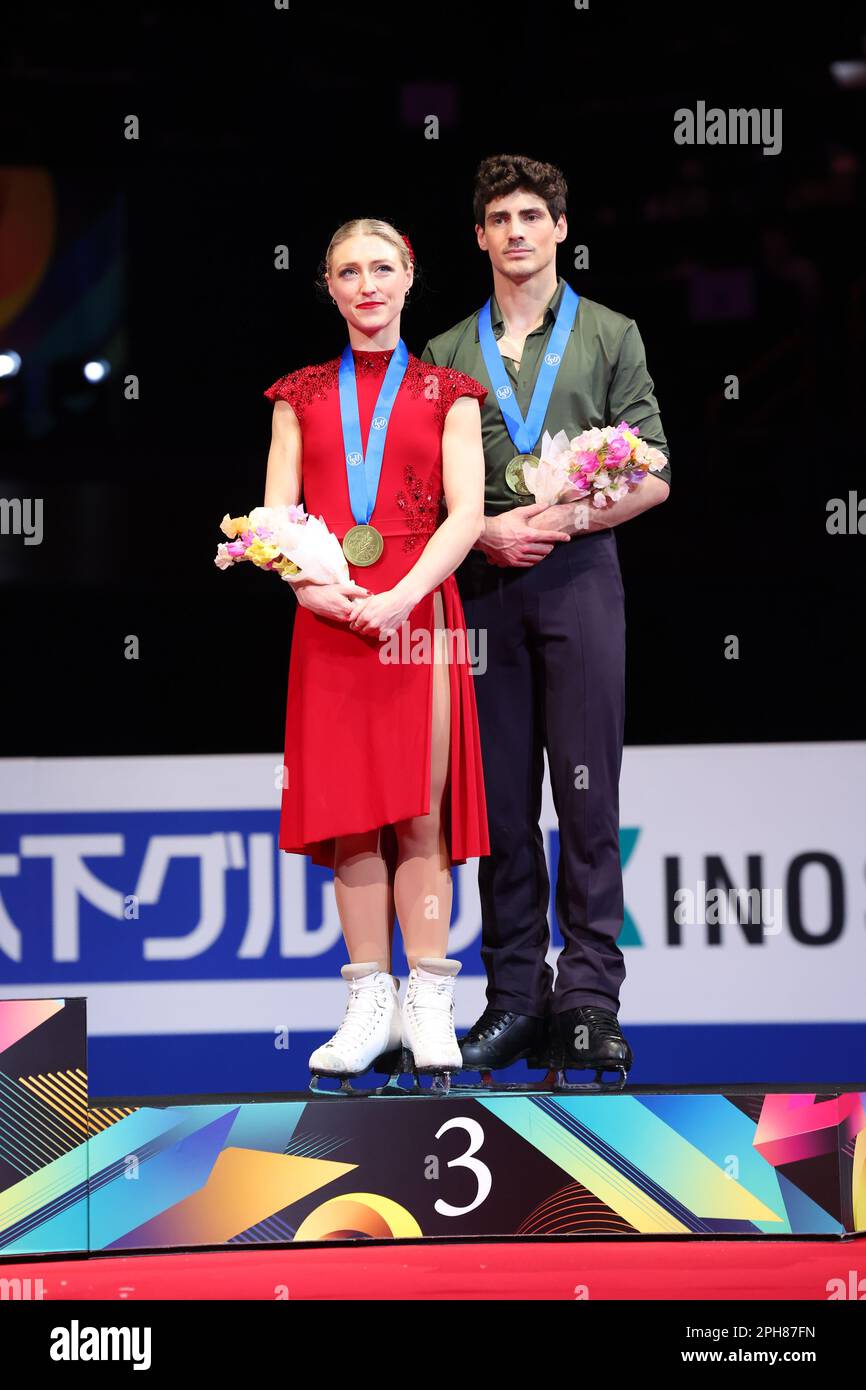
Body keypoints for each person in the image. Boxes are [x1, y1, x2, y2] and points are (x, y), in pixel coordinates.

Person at [421, 155, 672, 1086]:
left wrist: (565, 517)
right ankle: (516, 1001)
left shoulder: (611, 335)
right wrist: (483, 530)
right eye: (500, 218)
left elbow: (654, 473)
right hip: (482, 590)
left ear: (561, 228)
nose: (518, 231)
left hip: (579, 580)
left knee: (586, 799)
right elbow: (421, 494)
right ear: (480, 237)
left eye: (534, 214)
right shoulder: (446, 353)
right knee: (498, 808)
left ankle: (590, 1005)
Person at [262, 218, 490, 1091]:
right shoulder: (299, 395)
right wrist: (310, 588)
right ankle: (367, 1005)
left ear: (409, 279)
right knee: (351, 816)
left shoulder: (449, 392)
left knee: (420, 812)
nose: (367, 284)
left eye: (382, 268)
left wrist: (403, 595)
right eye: (349, 270)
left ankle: (429, 1000)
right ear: (328, 285)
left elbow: (466, 514)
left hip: (419, 610)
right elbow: (275, 515)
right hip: (327, 617)